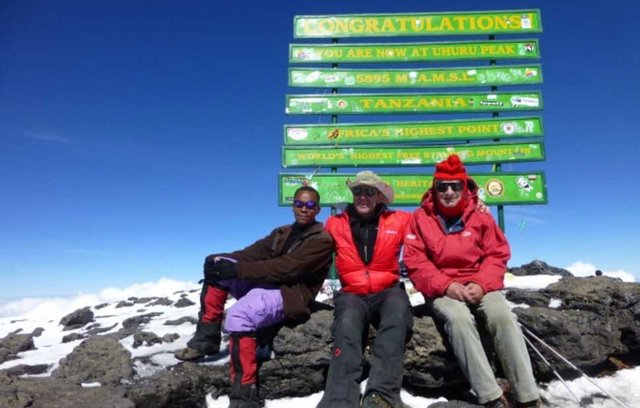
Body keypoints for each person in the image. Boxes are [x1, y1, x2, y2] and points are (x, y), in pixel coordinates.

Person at [174, 186, 333, 408]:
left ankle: (244, 395)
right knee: (218, 269)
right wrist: (220, 261)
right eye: (299, 204)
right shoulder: (282, 232)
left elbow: (287, 268)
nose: (303, 209)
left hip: (290, 295)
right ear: (292, 206)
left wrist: (238, 271)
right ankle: (206, 341)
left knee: (238, 316)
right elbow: (251, 253)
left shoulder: (322, 240)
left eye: (309, 205)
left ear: (317, 209)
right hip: (265, 285)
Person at [403, 154, 541, 408]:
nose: (448, 191)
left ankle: (528, 395)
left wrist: (480, 283)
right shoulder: (420, 218)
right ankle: (490, 395)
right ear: (434, 188)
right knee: (458, 319)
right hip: (442, 288)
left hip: (480, 283)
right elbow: (415, 261)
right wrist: (447, 286)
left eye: (455, 185)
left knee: (503, 316)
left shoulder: (480, 215)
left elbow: (496, 253)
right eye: (442, 186)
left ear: (464, 186)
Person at [317, 171, 414, 408]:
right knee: (347, 324)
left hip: (387, 290)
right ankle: (340, 399)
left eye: (370, 192)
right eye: (358, 191)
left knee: (398, 311)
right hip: (352, 293)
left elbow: (432, 222)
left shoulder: (400, 220)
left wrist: (474, 206)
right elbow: (311, 249)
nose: (363, 196)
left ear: (379, 196)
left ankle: (381, 395)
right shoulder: (334, 224)